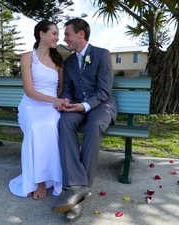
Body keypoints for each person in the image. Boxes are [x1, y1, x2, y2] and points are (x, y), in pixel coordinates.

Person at [52, 18, 117, 220]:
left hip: (101, 105)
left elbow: (104, 91)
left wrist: (85, 105)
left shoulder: (101, 54)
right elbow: (69, 89)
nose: (65, 38)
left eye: (67, 34)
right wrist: (67, 100)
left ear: (81, 34)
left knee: (95, 124)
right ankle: (78, 186)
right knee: (64, 121)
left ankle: (77, 192)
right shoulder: (69, 61)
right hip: (77, 106)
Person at [9, 20, 67, 200]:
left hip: (51, 106)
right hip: (31, 105)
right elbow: (29, 90)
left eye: (58, 34)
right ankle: (39, 181)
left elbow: (60, 88)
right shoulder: (27, 58)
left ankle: (52, 175)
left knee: (50, 124)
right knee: (35, 126)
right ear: (42, 34)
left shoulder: (58, 61)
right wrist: (54, 100)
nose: (57, 37)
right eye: (54, 33)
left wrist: (58, 101)